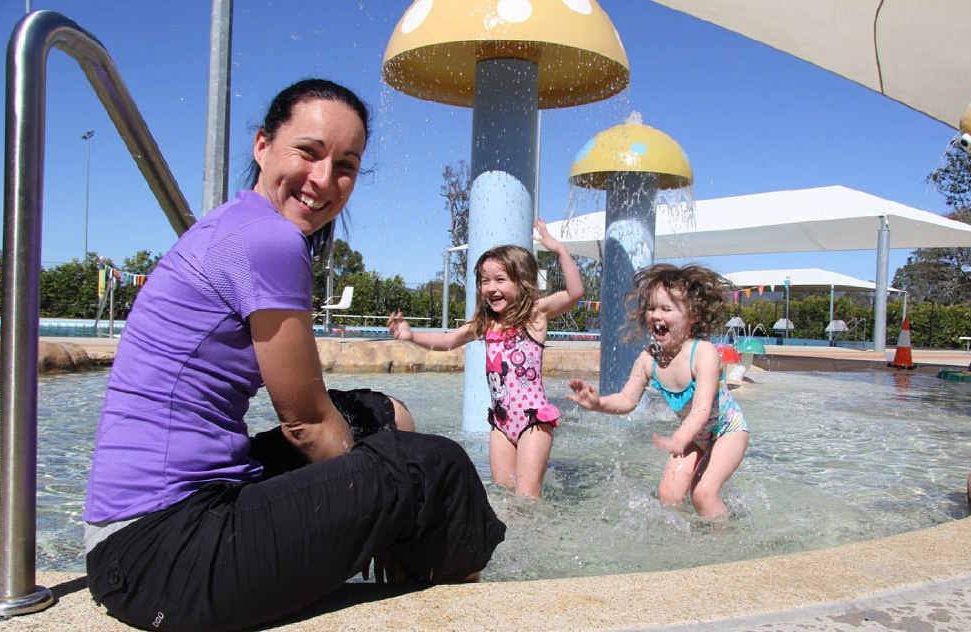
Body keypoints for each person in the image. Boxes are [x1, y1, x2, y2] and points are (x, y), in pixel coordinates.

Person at [82, 79, 505, 632]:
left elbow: (318, 417)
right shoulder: (270, 241)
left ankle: (408, 587)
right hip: (162, 555)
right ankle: (446, 613)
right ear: (263, 146)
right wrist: (383, 495)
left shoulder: (233, 223)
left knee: (384, 413)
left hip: (143, 537)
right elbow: (305, 423)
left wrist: (372, 471)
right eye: (308, 152)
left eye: (346, 165)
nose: (325, 180)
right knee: (435, 468)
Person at [387, 219, 583, 498]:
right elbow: (448, 341)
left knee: (527, 496)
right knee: (503, 492)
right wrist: (411, 335)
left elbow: (575, 293)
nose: (491, 287)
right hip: (501, 424)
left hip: (533, 422)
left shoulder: (535, 315)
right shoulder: (485, 323)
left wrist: (559, 250)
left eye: (500, 279)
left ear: (522, 282)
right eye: (485, 280)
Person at [567, 264, 748, 518]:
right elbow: (626, 399)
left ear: (692, 316)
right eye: (651, 308)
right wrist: (598, 403)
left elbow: (701, 409)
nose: (655, 315)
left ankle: (726, 542)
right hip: (694, 436)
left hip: (727, 432)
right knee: (668, 495)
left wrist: (679, 438)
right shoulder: (648, 359)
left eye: (666, 308)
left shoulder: (703, 353)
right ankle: (689, 537)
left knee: (703, 494)